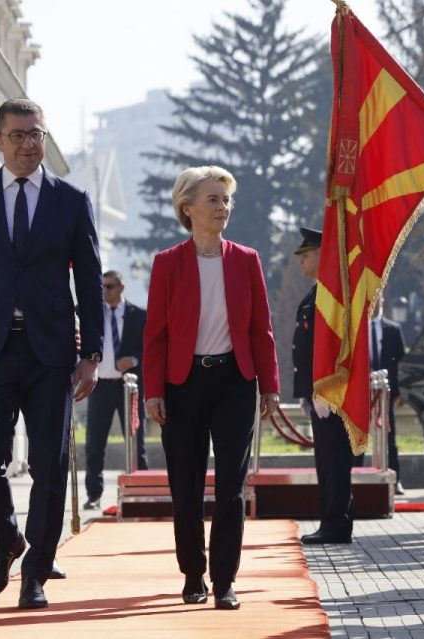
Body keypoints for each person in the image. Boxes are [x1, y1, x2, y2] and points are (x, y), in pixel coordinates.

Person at [0, 98, 104, 610]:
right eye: (20, 135)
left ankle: (34, 574)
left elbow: (90, 282)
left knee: (50, 466)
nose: (30, 144)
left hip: (50, 352)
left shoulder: (70, 201)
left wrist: (91, 352)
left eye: (37, 135)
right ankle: (8, 540)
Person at [143, 165, 280, 611]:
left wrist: (269, 386)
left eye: (226, 200)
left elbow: (262, 329)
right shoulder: (167, 263)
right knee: (185, 484)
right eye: (214, 200)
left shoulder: (246, 259)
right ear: (188, 208)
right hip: (182, 384)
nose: (223, 207)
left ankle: (225, 581)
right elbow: (155, 334)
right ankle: (192, 575)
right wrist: (153, 390)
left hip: (235, 382)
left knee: (231, 488)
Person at [292, 227, 355, 546]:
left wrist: (325, 388)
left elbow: (330, 344)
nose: (302, 262)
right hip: (319, 391)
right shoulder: (319, 292)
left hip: (330, 393)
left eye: (306, 255)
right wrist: (306, 390)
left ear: (322, 254)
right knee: (327, 460)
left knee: (334, 461)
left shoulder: (331, 294)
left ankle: (336, 523)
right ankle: (331, 520)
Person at [84, 270, 149, 510]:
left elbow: (151, 349)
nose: (105, 291)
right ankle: (93, 494)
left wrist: (134, 359)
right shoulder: (91, 314)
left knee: (135, 441)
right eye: (102, 287)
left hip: (128, 388)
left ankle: (142, 490)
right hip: (100, 386)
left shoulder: (139, 316)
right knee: (94, 443)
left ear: (121, 287)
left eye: (109, 286)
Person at [353, 294, 407, 494]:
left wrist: (400, 392)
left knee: (389, 438)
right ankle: (355, 475)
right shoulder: (355, 329)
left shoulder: (393, 330)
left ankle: (395, 480)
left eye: (377, 300)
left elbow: (400, 363)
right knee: (358, 436)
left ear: (382, 302)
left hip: (386, 393)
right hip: (361, 393)